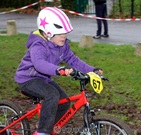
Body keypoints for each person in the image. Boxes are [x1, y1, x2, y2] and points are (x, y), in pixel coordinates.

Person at [14, 7, 103, 135]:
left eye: (65, 33)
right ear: (48, 33)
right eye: (60, 34)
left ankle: (47, 127)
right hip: (28, 79)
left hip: (44, 79)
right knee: (52, 95)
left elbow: (73, 60)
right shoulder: (38, 45)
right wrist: (59, 69)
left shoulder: (63, 45)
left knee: (65, 103)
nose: (64, 37)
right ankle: (42, 132)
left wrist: (92, 70)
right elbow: (39, 64)